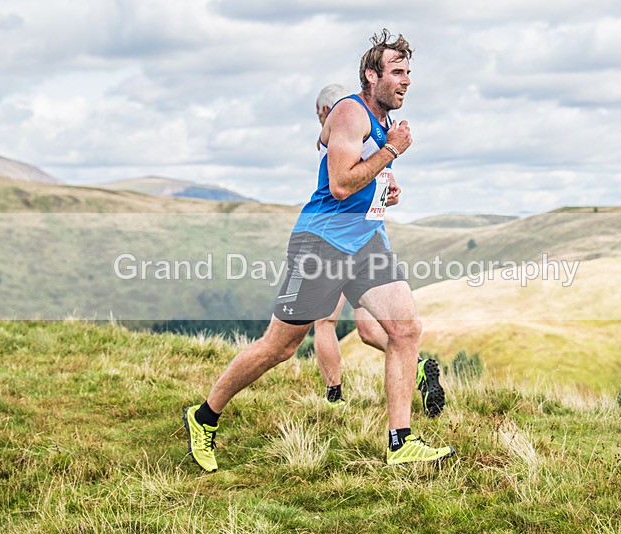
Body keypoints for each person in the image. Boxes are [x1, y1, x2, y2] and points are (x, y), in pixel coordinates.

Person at [184, 29, 455, 471]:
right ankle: (203, 416)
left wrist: (384, 188)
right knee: (280, 347)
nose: (406, 80)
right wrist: (391, 152)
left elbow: (361, 182)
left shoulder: (382, 120)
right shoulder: (351, 112)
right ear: (372, 75)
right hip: (323, 244)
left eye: (409, 72)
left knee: (405, 330)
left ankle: (400, 442)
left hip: (365, 242)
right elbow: (341, 184)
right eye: (397, 72)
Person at [311, 84, 446, 418]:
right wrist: (389, 194)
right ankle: (414, 366)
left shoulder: (336, 137)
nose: (321, 123)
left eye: (319, 115)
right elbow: (384, 185)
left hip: (341, 241)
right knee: (371, 329)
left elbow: (342, 187)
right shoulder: (371, 135)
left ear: (329, 111)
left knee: (324, 322)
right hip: (371, 238)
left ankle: (333, 394)